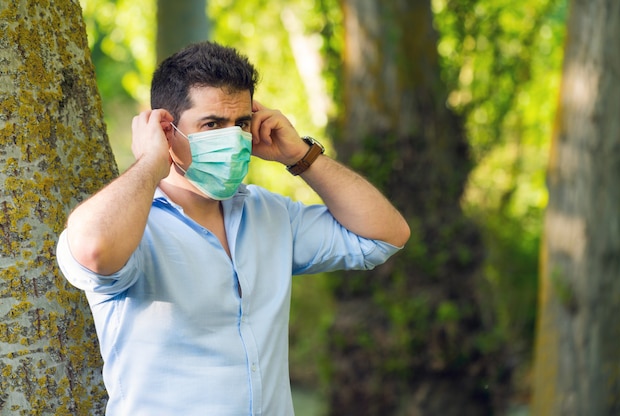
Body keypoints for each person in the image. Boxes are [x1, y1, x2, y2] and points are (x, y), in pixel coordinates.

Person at [56, 41, 410, 415]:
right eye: (212, 124)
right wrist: (149, 162)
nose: (233, 138)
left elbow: (385, 235)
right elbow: (93, 251)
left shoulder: (270, 214)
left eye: (241, 123)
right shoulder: (131, 226)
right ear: (165, 127)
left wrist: (300, 157)